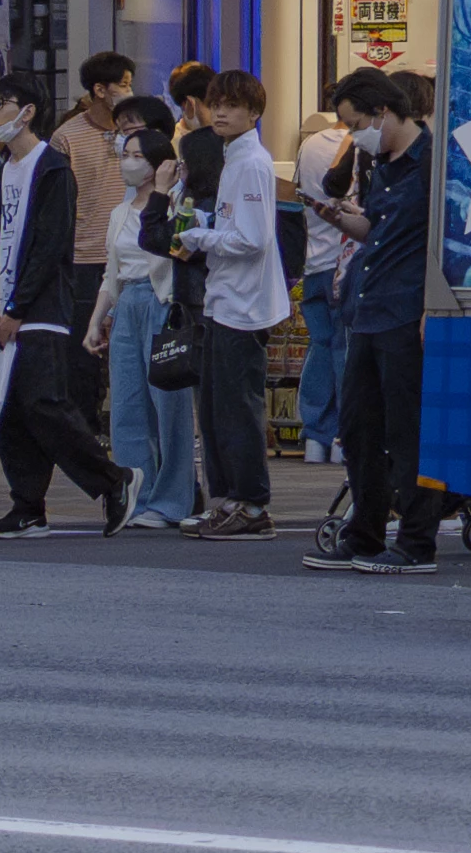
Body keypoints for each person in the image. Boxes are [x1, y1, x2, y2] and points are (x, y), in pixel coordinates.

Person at [0, 80, 133, 538]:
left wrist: (17, 305)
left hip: (41, 308)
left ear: (30, 111)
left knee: (45, 403)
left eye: (3, 105)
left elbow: (51, 244)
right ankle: (28, 506)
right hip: (2, 310)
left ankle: (113, 480)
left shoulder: (52, 167)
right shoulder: (2, 173)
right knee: (13, 410)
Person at [306, 70, 443, 568]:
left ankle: (416, 541)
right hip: (371, 305)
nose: (352, 134)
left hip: (408, 312)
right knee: (359, 426)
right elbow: (379, 231)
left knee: (409, 432)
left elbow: (443, 245)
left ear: (384, 111)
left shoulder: (434, 163)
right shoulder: (380, 163)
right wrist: (340, 218)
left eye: (356, 122)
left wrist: (435, 307)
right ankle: (364, 532)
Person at [64, 53, 195, 527]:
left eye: (137, 154)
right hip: (129, 303)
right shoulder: (120, 212)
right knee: (127, 408)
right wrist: (97, 318)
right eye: (124, 152)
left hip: (163, 303)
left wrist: (163, 193)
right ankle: (138, 493)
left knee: (170, 407)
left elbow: (177, 250)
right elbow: (111, 273)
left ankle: (173, 499)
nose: (127, 160)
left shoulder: (178, 202)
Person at [175, 66, 291, 538]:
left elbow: (254, 239)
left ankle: (251, 503)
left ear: (255, 112)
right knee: (217, 407)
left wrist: (198, 234)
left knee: (236, 407)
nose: (220, 111)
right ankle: (228, 499)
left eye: (233, 105)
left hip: (243, 305)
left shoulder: (250, 162)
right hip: (227, 299)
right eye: (216, 102)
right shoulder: (234, 157)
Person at [285, 86, 358, 465]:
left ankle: (316, 434)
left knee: (320, 346)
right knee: (347, 350)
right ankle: (345, 436)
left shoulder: (309, 145)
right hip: (345, 263)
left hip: (313, 260)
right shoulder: (359, 144)